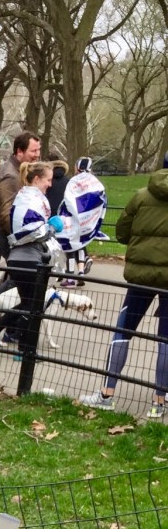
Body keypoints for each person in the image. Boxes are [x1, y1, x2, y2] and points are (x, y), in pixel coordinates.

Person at [80, 152, 168, 421]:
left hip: (140, 276)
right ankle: (159, 401)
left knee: (123, 330)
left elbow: (121, 232)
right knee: (166, 338)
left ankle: (107, 394)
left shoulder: (141, 196)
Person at [0, 160, 61, 350]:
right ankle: (24, 350)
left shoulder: (24, 197)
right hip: (29, 260)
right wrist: (51, 228)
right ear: (37, 179)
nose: (50, 184)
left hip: (19, 259)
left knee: (28, 304)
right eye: (48, 180)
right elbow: (30, 233)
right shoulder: (30, 199)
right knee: (34, 306)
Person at [0, 130, 42, 320]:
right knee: (20, 277)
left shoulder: (20, 171)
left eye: (38, 150)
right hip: (9, 236)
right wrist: (22, 238)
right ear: (19, 151)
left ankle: (6, 321)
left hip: (16, 235)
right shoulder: (10, 176)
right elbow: (7, 213)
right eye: (33, 151)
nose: (37, 155)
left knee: (18, 278)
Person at [55, 156, 107, 287]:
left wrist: (74, 213)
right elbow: (101, 199)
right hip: (87, 221)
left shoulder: (74, 181)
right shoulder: (95, 181)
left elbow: (68, 199)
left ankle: (70, 277)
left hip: (72, 218)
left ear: (78, 167)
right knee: (81, 244)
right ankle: (81, 273)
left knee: (70, 246)